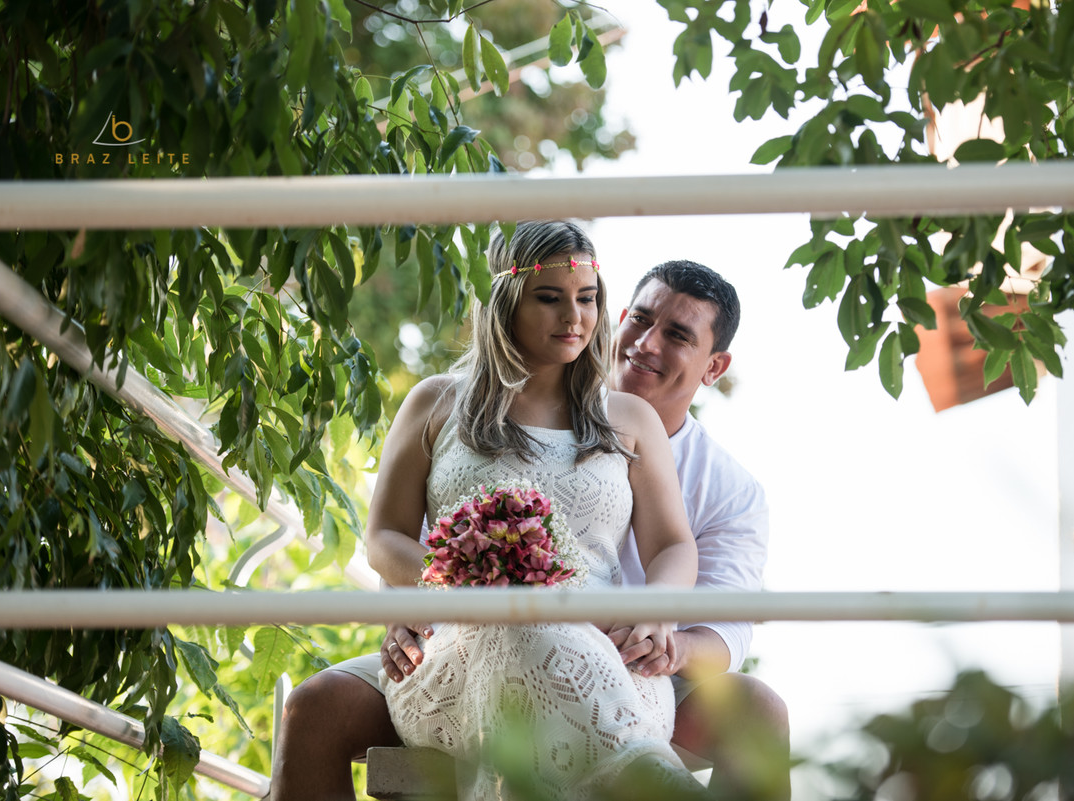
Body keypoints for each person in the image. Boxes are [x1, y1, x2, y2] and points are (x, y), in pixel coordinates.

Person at [270, 257, 790, 800]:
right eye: (640, 318)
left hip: (637, 664)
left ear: (714, 366)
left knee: (758, 710)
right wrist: (405, 606)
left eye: (678, 335)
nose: (646, 343)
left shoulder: (729, 488)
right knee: (316, 707)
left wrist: (662, 637)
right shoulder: (472, 405)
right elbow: (413, 531)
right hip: (465, 637)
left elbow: (726, 626)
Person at [352, 220, 705, 801]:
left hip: (606, 661)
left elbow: (672, 544)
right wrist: (462, 585)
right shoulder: (436, 402)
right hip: (461, 652)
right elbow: (384, 537)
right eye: (549, 298)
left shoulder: (630, 419)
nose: (574, 317)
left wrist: (657, 611)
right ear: (507, 301)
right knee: (514, 622)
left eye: (587, 298)